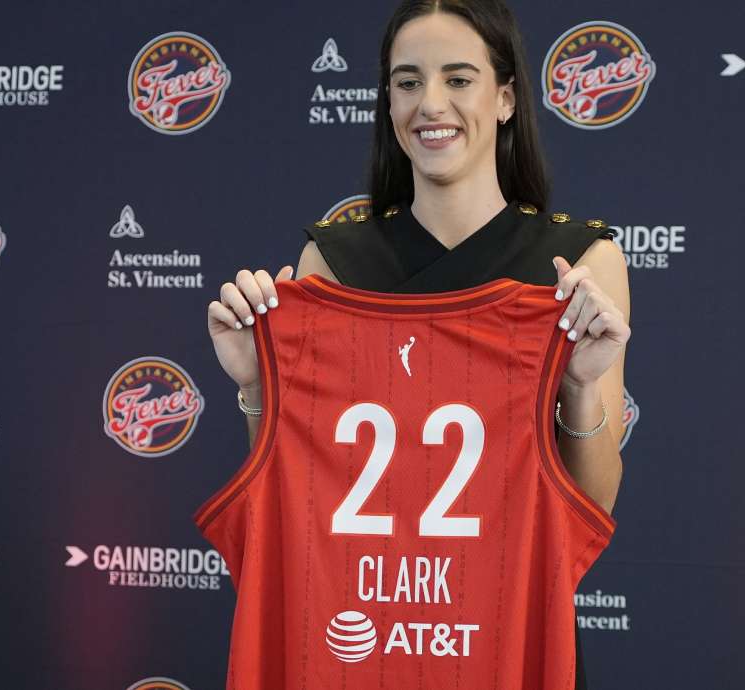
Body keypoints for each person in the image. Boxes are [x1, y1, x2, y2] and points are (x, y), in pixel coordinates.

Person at [205, 0, 629, 686]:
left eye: (458, 79)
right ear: (388, 101)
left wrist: (579, 386)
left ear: (506, 98)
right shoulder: (331, 263)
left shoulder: (579, 263)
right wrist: (258, 386)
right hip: (352, 638)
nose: (430, 104)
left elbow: (590, 508)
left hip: (499, 636)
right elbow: (292, 491)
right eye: (408, 82)